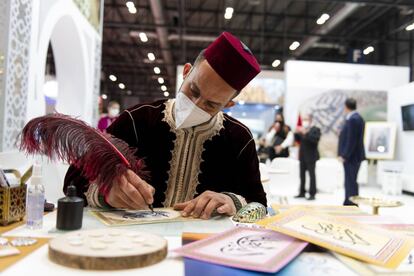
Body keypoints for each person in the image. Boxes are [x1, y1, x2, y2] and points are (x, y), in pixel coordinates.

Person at [64, 32, 267, 220]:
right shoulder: (137, 119)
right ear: (186, 72)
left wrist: (233, 202)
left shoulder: (239, 139)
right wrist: (106, 192)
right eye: (193, 91)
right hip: (131, 243)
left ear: (228, 104)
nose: (195, 105)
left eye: (211, 104)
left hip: (198, 246)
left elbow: (260, 206)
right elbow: (72, 181)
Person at [338, 98, 365, 206]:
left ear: (346, 106)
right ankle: (349, 202)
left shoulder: (353, 119)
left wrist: (344, 155)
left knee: (351, 182)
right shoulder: (357, 118)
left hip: (352, 157)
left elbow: (351, 140)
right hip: (354, 156)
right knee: (351, 181)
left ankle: (351, 204)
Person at [295, 114, 321, 200]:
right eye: (304, 119)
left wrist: (306, 133)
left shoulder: (315, 129)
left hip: (311, 156)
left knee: (312, 175)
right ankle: (302, 192)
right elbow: (298, 140)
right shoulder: (303, 129)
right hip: (302, 156)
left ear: (311, 120)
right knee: (302, 175)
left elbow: (314, 140)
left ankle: (312, 194)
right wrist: (297, 133)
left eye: (306, 119)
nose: (305, 121)